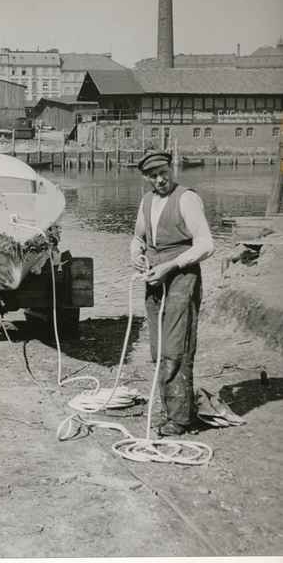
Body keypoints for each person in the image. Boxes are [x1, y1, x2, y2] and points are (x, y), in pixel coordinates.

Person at [130, 150, 214, 436]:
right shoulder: (147, 201)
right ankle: (172, 409)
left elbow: (205, 245)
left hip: (181, 278)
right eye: (152, 176)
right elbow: (138, 236)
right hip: (155, 279)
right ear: (145, 178)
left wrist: (171, 265)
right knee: (158, 348)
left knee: (176, 347)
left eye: (164, 172)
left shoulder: (187, 198)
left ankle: (180, 419)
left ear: (172, 168)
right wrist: (136, 251)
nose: (160, 179)